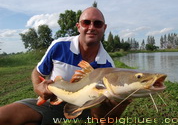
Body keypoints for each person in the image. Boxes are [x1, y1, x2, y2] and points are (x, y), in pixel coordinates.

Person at [0, 7, 131, 125]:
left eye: (97, 23)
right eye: (86, 22)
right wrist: (37, 87)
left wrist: (119, 103)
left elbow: (102, 118)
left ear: (104, 28)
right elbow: (38, 72)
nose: (91, 27)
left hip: (84, 109)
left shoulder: (108, 65)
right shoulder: (59, 46)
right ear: (78, 26)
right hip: (51, 103)